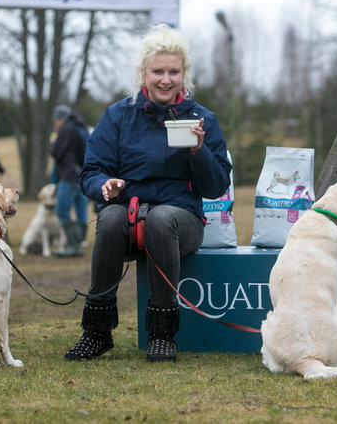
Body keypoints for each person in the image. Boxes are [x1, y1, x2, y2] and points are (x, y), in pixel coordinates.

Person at [63, 24, 231, 363]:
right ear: (143, 73)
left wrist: (199, 152)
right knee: (108, 217)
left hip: (180, 222)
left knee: (161, 217)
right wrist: (105, 186)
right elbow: (90, 174)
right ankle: (96, 332)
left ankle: (162, 333)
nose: (166, 79)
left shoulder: (202, 120)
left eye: (174, 71)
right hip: (128, 216)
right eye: (158, 71)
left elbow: (216, 188)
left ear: (184, 74)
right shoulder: (117, 116)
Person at [50, 104, 90, 258]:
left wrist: (53, 142)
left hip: (68, 175)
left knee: (62, 210)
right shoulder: (82, 127)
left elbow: (56, 152)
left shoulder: (66, 130)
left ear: (60, 119)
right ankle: (79, 242)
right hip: (82, 175)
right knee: (81, 209)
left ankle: (74, 246)